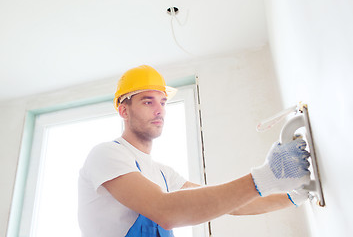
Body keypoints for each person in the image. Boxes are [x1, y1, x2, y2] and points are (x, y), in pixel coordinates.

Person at [78, 65, 311, 237]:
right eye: (148, 102)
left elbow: (232, 205)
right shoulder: (106, 155)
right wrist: (266, 176)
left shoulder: (163, 174)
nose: (160, 110)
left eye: (163, 102)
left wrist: (293, 198)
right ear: (123, 111)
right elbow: (164, 211)